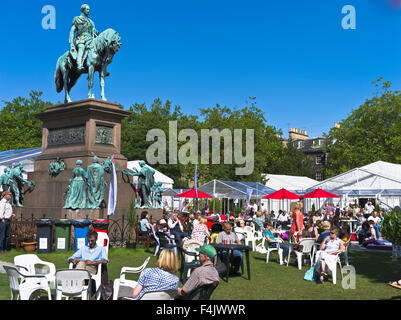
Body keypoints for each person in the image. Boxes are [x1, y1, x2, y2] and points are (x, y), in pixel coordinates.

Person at [69, 4, 99, 71]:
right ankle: (79, 65)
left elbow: (93, 31)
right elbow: (72, 32)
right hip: (80, 39)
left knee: (98, 49)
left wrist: (96, 32)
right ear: (83, 10)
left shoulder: (91, 22)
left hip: (89, 39)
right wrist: (71, 43)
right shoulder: (77, 19)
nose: (88, 11)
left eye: (89, 10)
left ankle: (101, 66)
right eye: (87, 9)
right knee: (81, 47)